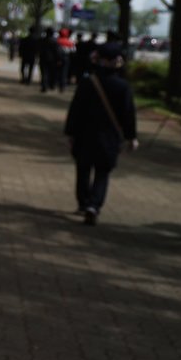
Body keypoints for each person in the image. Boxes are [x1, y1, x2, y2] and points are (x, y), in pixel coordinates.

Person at [64, 43, 137, 226]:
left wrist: (70, 132)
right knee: (102, 172)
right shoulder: (123, 87)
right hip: (109, 138)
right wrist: (131, 136)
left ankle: (83, 202)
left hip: (84, 134)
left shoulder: (88, 82)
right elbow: (128, 115)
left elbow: (76, 109)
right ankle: (94, 205)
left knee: (83, 170)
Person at [38, 28, 62, 92]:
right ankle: (51, 85)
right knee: (51, 73)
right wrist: (59, 59)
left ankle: (44, 86)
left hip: (43, 59)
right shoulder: (55, 41)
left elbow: (38, 49)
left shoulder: (42, 40)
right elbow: (57, 51)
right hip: (52, 60)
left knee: (44, 73)